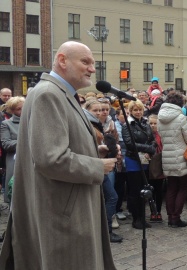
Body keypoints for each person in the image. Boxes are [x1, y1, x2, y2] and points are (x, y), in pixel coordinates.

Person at [0, 41, 117, 269]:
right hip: (62, 213)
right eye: (85, 62)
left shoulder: (60, 93)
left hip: (64, 206)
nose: (92, 69)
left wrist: (95, 151)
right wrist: (97, 166)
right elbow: (51, 159)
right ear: (62, 60)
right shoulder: (49, 94)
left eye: (93, 63)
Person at [84, 99, 122, 242]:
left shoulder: (100, 124)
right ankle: (105, 231)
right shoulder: (88, 125)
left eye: (101, 110)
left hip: (102, 164)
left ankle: (104, 230)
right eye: (96, 110)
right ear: (87, 110)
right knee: (111, 197)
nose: (100, 112)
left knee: (109, 196)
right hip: (93, 165)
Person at [158, 92, 187, 228]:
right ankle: (176, 217)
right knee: (183, 187)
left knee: (171, 187)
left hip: (167, 154)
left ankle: (170, 216)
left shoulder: (160, 117)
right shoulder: (180, 117)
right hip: (181, 155)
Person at [122, 100, 156, 229]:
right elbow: (130, 144)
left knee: (144, 189)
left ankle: (142, 217)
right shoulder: (127, 125)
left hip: (145, 160)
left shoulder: (145, 123)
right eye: (135, 110)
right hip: (133, 160)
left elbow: (152, 140)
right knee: (135, 190)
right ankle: (136, 219)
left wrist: (150, 149)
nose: (138, 112)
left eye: (140, 110)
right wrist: (148, 149)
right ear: (130, 111)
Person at [0, 96, 24, 203]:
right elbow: (6, 143)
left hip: (32, 161)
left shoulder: (33, 121)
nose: (23, 110)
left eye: (24, 107)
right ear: (12, 110)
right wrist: (25, 143)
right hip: (15, 162)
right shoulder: (7, 124)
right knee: (15, 195)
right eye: (19, 109)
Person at [147, 114, 165, 223]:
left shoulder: (161, 135)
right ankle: (152, 211)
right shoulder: (146, 135)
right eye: (151, 123)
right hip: (149, 165)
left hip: (159, 164)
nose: (153, 125)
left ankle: (158, 211)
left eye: (155, 123)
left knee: (159, 190)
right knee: (151, 190)